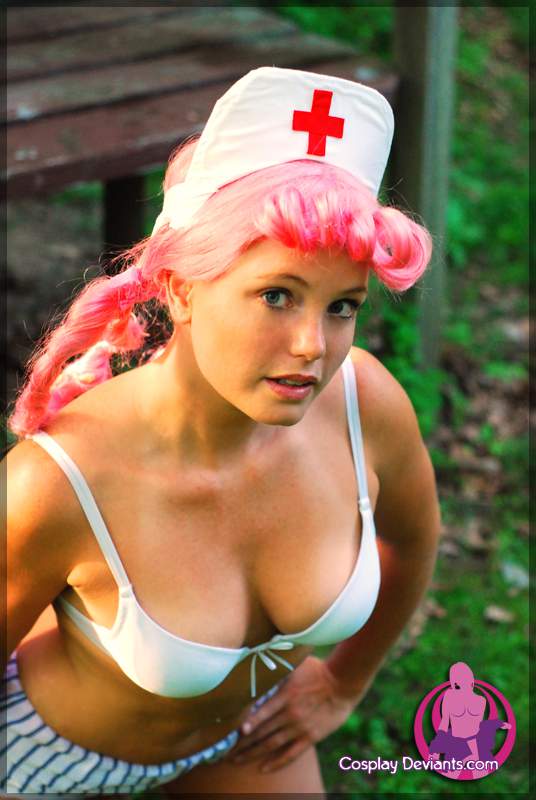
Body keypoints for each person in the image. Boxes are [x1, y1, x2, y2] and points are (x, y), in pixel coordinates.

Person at [3, 66, 441, 796]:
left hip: (242, 740)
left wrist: (343, 683)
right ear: (181, 290)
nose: (312, 346)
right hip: (44, 760)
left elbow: (415, 541)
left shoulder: (364, 406)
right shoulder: (56, 484)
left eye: (342, 306)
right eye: (277, 295)